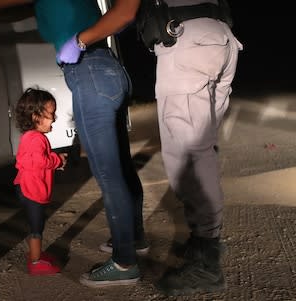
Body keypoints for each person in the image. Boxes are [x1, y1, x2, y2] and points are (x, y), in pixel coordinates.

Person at [0, 0, 148, 288]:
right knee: (121, 167)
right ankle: (133, 238)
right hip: (108, 70)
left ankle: (124, 262)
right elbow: (1, 11)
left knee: (109, 174)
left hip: (89, 73)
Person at [64, 0, 242, 296]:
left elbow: (126, 9)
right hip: (219, 36)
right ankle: (203, 245)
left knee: (188, 159)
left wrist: (80, 39)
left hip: (188, 43)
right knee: (202, 151)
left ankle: (206, 264)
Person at [13, 87, 67, 275]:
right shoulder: (36, 138)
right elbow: (38, 161)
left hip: (25, 187)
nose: (54, 118)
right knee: (37, 226)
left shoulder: (31, 137)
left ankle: (37, 255)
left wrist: (54, 159)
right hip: (31, 190)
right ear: (36, 117)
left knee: (35, 224)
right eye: (51, 114)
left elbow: (33, 160)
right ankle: (35, 262)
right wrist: (57, 160)